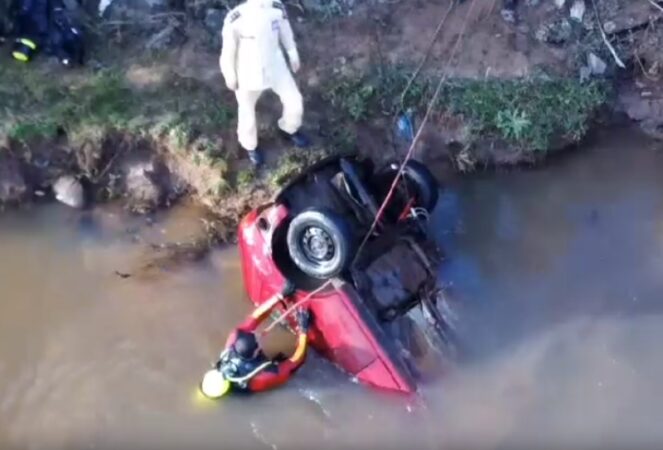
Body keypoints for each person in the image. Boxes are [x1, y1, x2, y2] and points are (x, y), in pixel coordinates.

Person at [219, 0, 310, 168]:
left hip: (275, 66)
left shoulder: (276, 8)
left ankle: (289, 127)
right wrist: (229, 75)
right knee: (247, 112)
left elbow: (285, 31)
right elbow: (228, 52)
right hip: (247, 72)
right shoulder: (236, 18)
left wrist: (292, 52)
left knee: (294, 101)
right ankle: (250, 145)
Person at [200, 281, 312, 399]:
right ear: (256, 352)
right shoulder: (263, 376)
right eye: (257, 341)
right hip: (250, 382)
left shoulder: (235, 336)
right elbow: (295, 362)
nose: (259, 336)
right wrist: (303, 331)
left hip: (229, 378)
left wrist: (280, 296)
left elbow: (255, 317)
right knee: (291, 369)